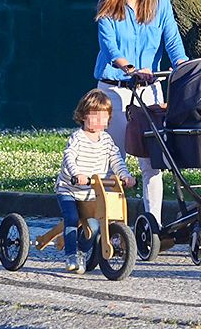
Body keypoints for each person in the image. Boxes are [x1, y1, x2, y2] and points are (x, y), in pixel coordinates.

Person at [93, 0, 187, 226]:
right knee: (115, 159)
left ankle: (152, 224)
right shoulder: (109, 5)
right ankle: (112, 226)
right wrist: (130, 69)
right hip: (115, 89)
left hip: (150, 89)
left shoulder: (161, 4)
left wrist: (183, 66)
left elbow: (173, 42)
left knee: (151, 161)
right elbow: (109, 47)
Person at [55, 89, 136, 273]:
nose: (99, 122)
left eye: (104, 117)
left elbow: (116, 160)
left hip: (92, 191)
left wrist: (125, 176)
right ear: (83, 116)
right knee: (72, 218)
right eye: (94, 116)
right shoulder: (78, 137)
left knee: (95, 224)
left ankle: (82, 251)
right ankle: (71, 256)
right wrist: (77, 174)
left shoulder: (106, 140)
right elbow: (69, 157)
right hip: (70, 189)